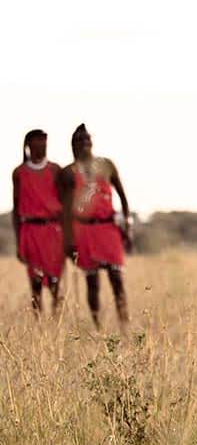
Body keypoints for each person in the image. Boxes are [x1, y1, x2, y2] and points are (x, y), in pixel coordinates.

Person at [60, 124, 131, 329]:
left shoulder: (107, 165)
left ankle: (124, 325)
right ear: (73, 146)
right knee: (92, 282)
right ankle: (98, 326)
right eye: (79, 141)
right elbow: (65, 210)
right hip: (84, 230)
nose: (84, 145)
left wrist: (127, 225)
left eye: (87, 140)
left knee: (116, 278)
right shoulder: (68, 172)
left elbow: (123, 197)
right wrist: (69, 240)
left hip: (108, 228)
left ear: (92, 142)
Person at [12, 129, 64, 317]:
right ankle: (39, 326)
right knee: (35, 282)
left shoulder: (55, 170)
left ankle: (57, 321)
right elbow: (16, 209)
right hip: (31, 232)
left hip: (53, 232)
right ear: (29, 145)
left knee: (54, 280)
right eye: (38, 141)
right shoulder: (19, 172)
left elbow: (65, 203)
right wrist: (20, 243)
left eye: (45, 141)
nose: (43, 145)